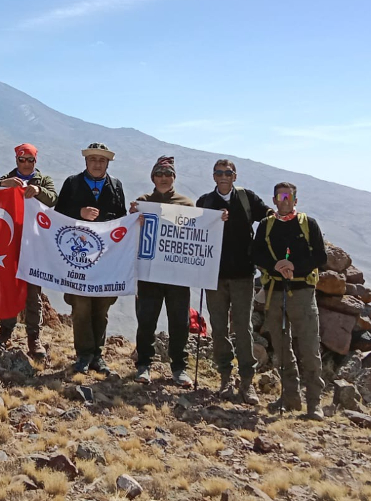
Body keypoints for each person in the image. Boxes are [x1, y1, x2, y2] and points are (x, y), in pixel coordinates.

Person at [196, 158, 272, 404]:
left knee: (243, 329)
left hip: (242, 275)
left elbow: (269, 218)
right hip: (214, 276)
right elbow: (192, 230)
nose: (224, 176)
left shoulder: (247, 198)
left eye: (228, 172)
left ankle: (247, 383)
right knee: (218, 328)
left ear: (235, 175)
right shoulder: (205, 202)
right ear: (213, 176)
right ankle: (225, 378)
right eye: (219, 172)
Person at [252, 181, 327, 420]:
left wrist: (294, 266)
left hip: (302, 292)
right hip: (274, 291)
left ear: (296, 200)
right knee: (282, 348)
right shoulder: (266, 225)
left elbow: (320, 256)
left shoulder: (308, 225)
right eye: (280, 197)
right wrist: (276, 265)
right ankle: (291, 397)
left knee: (309, 347)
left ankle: (314, 404)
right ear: (273, 200)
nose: (284, 201)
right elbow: (255, 253)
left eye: (288, 197)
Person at [55, 142, 127, 374]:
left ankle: (98, 354)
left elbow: (122, 218)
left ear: (107, 163)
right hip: (77, 259)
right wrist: (79, 213)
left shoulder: (116, 186)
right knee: (81, 306)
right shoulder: (72, 183)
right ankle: (84, 354)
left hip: (106, 260)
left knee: (102, 307)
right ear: (86, 161)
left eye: (102, 160)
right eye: (93, 159)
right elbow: (58, 216)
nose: (97, 163)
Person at [129, 156, 196, 387]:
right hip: (149, 274)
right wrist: (132, 217)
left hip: (178, 275)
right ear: (153, 177)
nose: (164, 178)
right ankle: (144, 365)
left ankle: (179, 368)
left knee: (179, 321)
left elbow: (199, 234)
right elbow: (131, 233)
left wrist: (218, 220)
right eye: (159, 174)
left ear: (174, 177)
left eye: (168, 174)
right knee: (146, 319)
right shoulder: (143, 201)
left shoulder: (186, 204)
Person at [0, 143, 57, 357]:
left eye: (30, 160)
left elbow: (53, 198)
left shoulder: (44, 180)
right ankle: (5, 333)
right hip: (10, 243)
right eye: (22, 160)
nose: (26, 164)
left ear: (35, 162)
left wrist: (38, 191)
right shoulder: (8, 177)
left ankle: (34, 338)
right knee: (9, 291)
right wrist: (5, 184)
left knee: (33, 294)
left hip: (35, 244)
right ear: (16, 160)